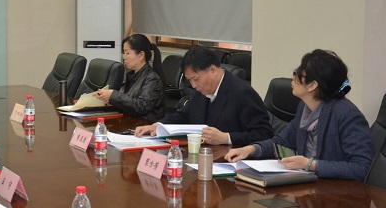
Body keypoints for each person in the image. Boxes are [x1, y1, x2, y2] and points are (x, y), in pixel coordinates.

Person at [225, 50, 374, 181]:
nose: (293, 77)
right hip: (308, 187)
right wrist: (251, 149)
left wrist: (310, 164)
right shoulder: (305, 107)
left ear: (312, 85)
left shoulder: (347, 115)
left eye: (297, 74)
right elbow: (282, 142)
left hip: (339, 195)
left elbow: (361, 168)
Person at [135, 47, 273, 146]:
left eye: (195, 79)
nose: (193, 85)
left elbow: (265, 134)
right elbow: (184, 115)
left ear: (213, 70)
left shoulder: (242, 93)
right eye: (190, 80)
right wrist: (158, 125)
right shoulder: (201, 90)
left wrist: (226, 137)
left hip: (230, 162)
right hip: (202, 157)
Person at [95, 34, 165, 121]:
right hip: (129, 121)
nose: (124, 57)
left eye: (127, 53)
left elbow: (142, 106)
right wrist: (111, 101)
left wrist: (113, 96)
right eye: (124, 53)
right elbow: (127, 103)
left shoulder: (152, 79)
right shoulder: (131, 75)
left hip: (145, 124)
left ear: (141, 55)